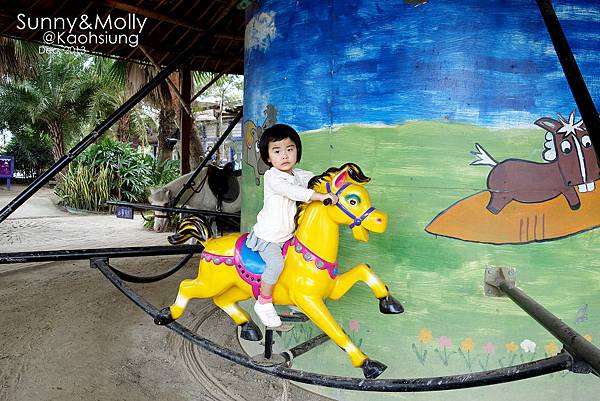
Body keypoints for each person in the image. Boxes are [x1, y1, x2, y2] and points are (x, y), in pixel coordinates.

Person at [247, 124, 338, 327]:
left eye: (290, 149)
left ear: (297, 151)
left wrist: (332, 185)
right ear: (268, 157)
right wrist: (320, 196)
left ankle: (296, 297)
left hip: (287, 235)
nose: (284, 155)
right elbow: (293, 192)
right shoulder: (272, 176)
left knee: (297, 264)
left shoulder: (297, 175)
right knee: (277, 264)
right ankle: (264, 302)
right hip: (268, 237)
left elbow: (314, 179)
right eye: (277, 151)